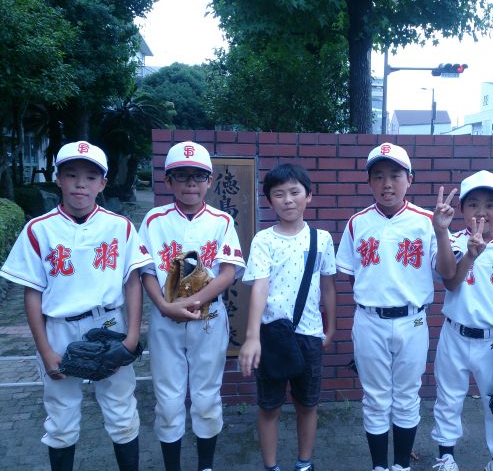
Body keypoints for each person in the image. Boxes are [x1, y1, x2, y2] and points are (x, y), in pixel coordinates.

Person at [0, 141, 151, 471]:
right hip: (59, 328)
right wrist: (45, 350)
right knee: (61, 418)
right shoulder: (38, 229)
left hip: (109, 324)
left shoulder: (120, 226)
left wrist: (131, 338)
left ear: (103, 183)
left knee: (122, 413)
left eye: (90, 176)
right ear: (58, 178)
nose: (80, 183)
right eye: (71, 174)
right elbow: (32, 292)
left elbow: (132, 281)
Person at [335, 143, 458, 471]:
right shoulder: (357, 222)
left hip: (412, 320)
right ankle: (380, 466)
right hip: (370, 319)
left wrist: (442, 231)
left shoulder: (427, 221)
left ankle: (401, 465)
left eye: (395, 175)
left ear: (409, 180)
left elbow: (448, 273)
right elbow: (353, 274)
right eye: (378, 176)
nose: (387, 183)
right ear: (369, 182)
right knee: (375, 398)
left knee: (406, 396)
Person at [138, 141, 246, 471]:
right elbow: (145, 270)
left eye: (198, 176)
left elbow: (228, 271)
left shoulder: (221, 220)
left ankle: (205, 466)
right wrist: (163, 305)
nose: (190, 184)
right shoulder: (154, 219)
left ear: (210, 181)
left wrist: (194, 300)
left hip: (208, 317)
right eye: (181, 176)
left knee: (206, 398)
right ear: (168, 181)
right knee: (168, 401)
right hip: (165, 319)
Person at [239, 163, 337, 471]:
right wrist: (252, 337)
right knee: (269, 406)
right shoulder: (263, 240)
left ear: (309, 195)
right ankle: (271, 466)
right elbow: (259, 287)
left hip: (309, 334)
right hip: (271, 335)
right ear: (269, 200)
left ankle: (304, 463)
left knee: (307, 404)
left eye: (295, 192)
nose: (288, 200)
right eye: (279, 194)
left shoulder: (321, 239)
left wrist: (331, 327)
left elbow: (328, 286)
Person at [431, 171, 493, 471]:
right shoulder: (452, 241)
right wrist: (468, 253)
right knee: (448, 397)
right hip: (454, 334)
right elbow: (450, 281)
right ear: (462, 209)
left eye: (490, 205)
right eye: (473, 204)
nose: (481, 212)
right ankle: (446, 455)